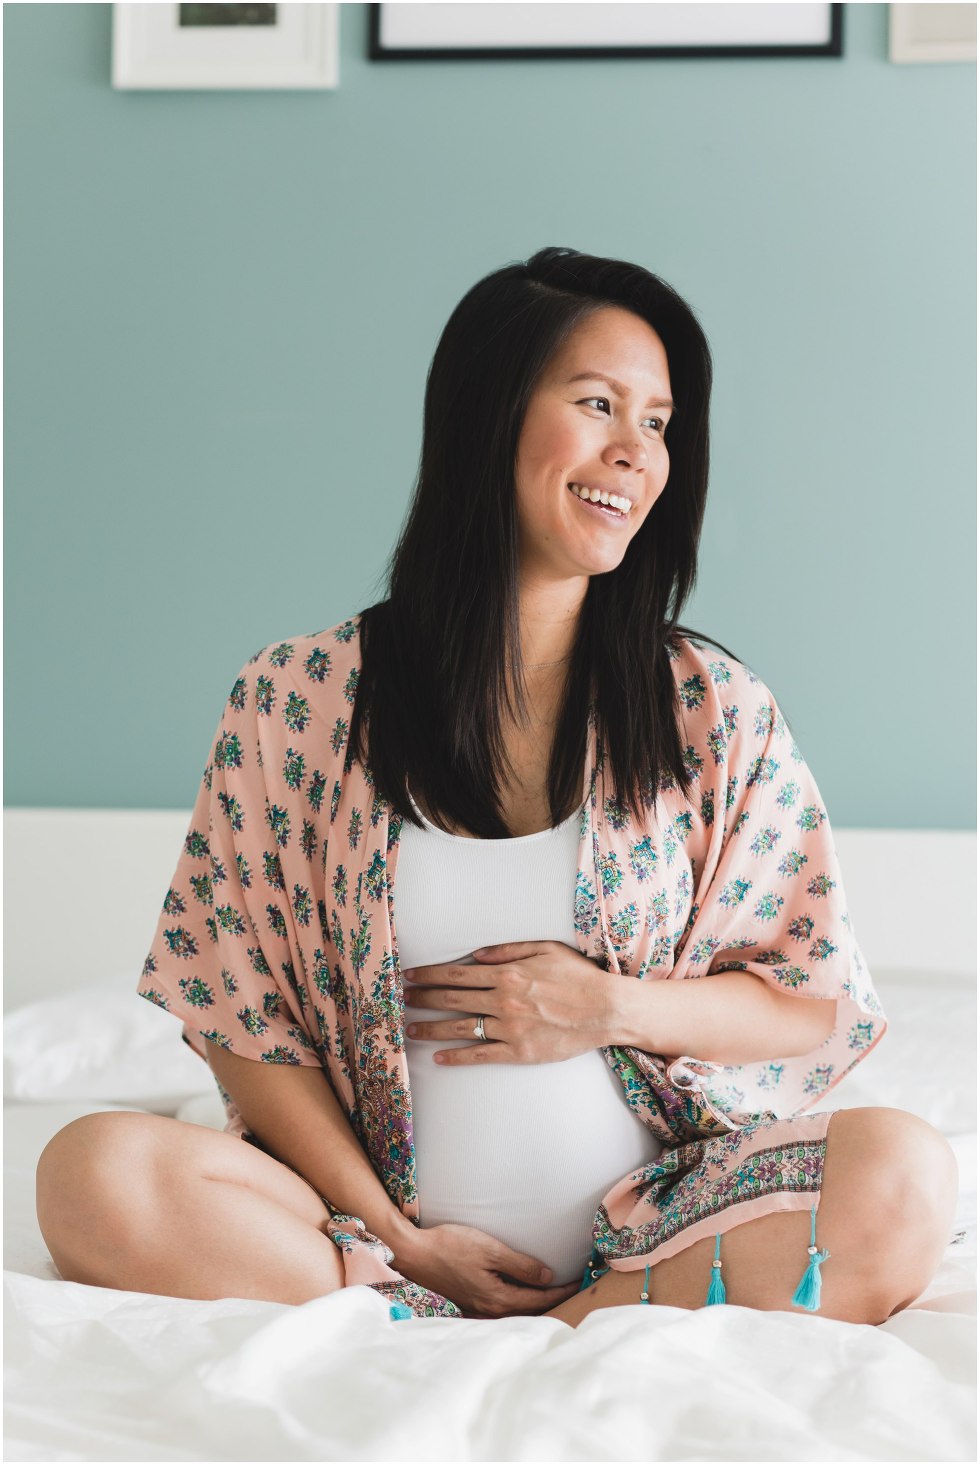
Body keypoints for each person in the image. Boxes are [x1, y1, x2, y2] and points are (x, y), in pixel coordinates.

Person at [36, 247, 957, 1326]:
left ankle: (573, 1322)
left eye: (658, 422)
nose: (634, 451)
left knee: (901, 1175)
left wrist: (604, 1005)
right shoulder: (296, 698)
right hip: (371, 1237)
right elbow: (244, 1022)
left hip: (652, 1228)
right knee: (88, 1168)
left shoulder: (710, 707)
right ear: (486, 415)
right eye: (598, 402)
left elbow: (804, 1003)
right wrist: (397, 1233)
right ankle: (405, 1303)